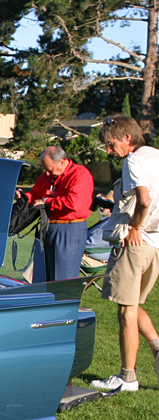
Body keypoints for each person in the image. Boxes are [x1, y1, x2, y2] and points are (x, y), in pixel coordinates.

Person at [90, 115, 159, 392]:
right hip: (155, 244)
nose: (109, 150)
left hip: (136, 241)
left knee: (125, 311)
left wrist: (134, 226)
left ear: (127, 138)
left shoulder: (133, 160)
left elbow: (144, 199)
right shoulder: (156, 156)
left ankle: (127, 377)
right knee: (133, 303)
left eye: (111, 143)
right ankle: (156, 347)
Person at [22, 146, 94, 281]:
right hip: (48, 227)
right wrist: (24, 197)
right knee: (42, 276)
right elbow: (35, 193)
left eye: (49, 169)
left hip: (68, 228)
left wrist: (46, 201)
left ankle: (62, 301)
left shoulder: (79, 174)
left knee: (62, 278)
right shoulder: (47, 177)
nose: (47, 174)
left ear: (61, 162)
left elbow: (74, 203)